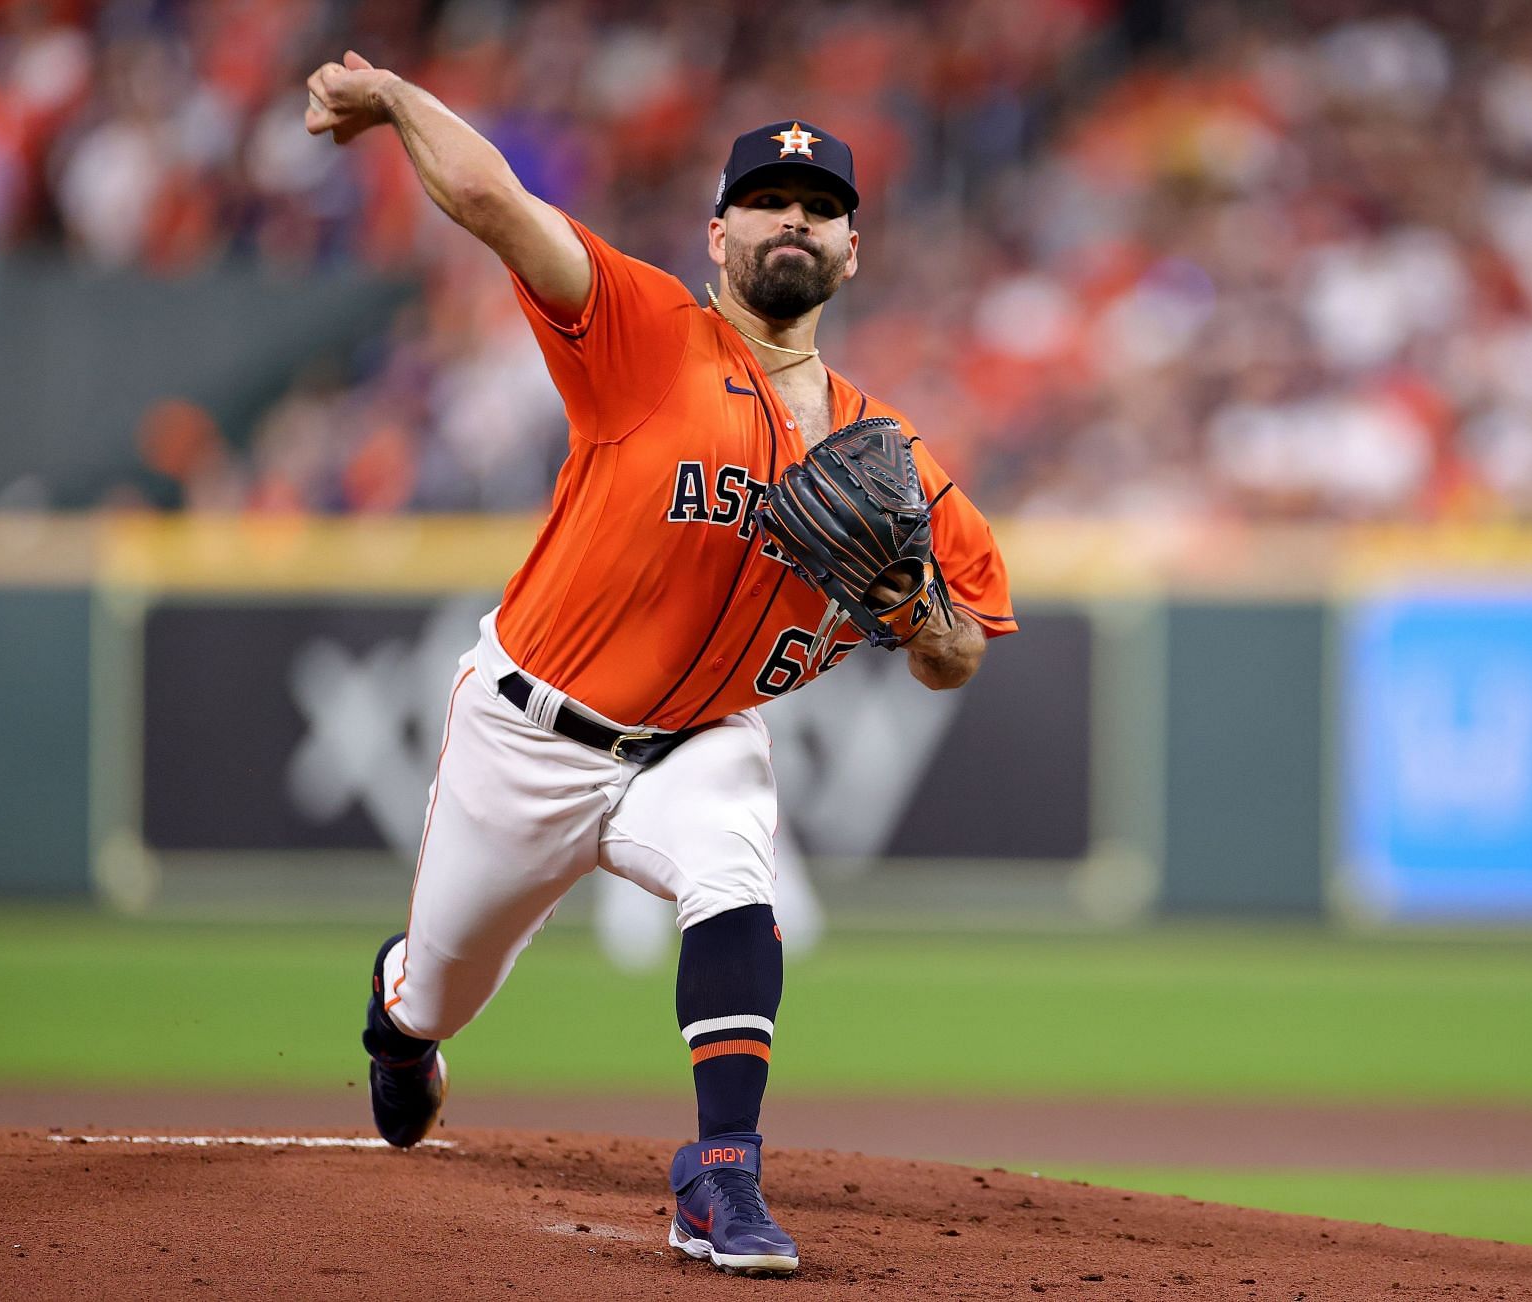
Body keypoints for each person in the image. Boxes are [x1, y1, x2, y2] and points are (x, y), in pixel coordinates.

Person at [305, 51, 1017, 1278]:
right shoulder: (641, 332)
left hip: (699, 737)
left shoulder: (889, 461)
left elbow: (958, 657)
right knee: (439, 995)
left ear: (853, 255)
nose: (796, 218)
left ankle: (722, 1179)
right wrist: (398, 102)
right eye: (769, 199)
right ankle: (401, 1016)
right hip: (531, 733)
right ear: (718, 231)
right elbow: (496, 206)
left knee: (738, 870)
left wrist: (913, 609)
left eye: (825, 209)